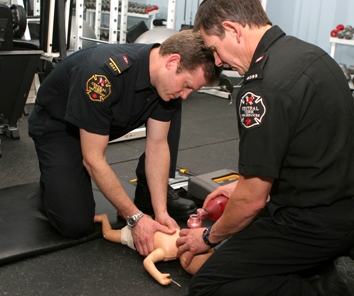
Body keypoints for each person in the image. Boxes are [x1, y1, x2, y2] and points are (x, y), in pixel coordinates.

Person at [175, 0, 354, 295]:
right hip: (353, 204)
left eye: (214, 49)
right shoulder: (308, 53)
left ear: (232, 30)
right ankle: (341, 254)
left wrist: (209, 237)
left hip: (311, 223)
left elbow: (252, 201)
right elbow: (301, 150)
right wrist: (241, 185)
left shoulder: (260, 89)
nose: (217, 61)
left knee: (209, 285)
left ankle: (327, 286)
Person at [28, 30, 222, 256]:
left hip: (101, 124)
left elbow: (157, 146)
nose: (186, 95)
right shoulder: (101, 75)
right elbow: (93, 159)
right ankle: (52, 183)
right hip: (58, 128)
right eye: (187, 85)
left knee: (171, 109)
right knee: (74, 225)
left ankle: (145, 195)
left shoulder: (165, 84)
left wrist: (161, 213)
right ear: (172, 61)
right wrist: (135, 217)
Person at [94, 214, 214, 286]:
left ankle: (125, 213)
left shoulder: (185, 235)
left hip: (147, 220)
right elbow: (147, 261)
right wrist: (158, 275)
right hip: (134, 234)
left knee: (138, 215)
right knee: (107, 234)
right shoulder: (167, 252)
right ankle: (103, 218)